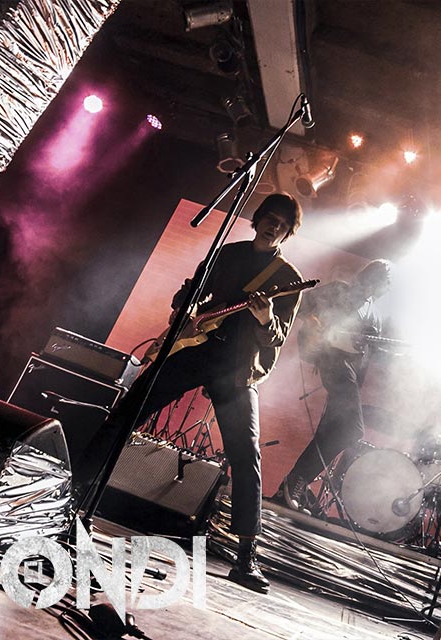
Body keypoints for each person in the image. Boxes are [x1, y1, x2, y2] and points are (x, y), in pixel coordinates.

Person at [102, 193, 304, 594]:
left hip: (235, 369)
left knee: (247, 456)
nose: (274, 226)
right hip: (195, 351)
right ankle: (76, 490)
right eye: (270, 218)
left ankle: (246, 558)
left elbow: (275, 338)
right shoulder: (227, 255)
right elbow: (188, 293)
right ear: (258, 218)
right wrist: (189, 310)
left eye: (283, 224)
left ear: (288, 232)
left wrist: (265, 319)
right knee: (127, 413)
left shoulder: (288, 279)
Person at [278, 259, 393, 511]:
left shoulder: (373, 312)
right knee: (351, 429)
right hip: (331, 360)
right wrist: (316, 329)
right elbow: (300, 305)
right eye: (387, 280)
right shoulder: (340, 290)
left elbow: (367, 348)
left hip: (348, 369)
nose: (389, 286)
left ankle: (294, 485)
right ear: (374, 277)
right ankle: (298, 479)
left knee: (331, 429)